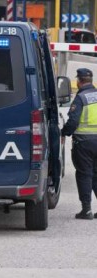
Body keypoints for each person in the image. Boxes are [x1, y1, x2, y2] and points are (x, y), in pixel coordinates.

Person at [61, 68, 97, 220]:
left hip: (84, 143)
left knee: (84, 174)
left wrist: (64, 132)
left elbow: (73, 121)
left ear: (79, 81)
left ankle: (86, 210)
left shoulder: (81, 98)